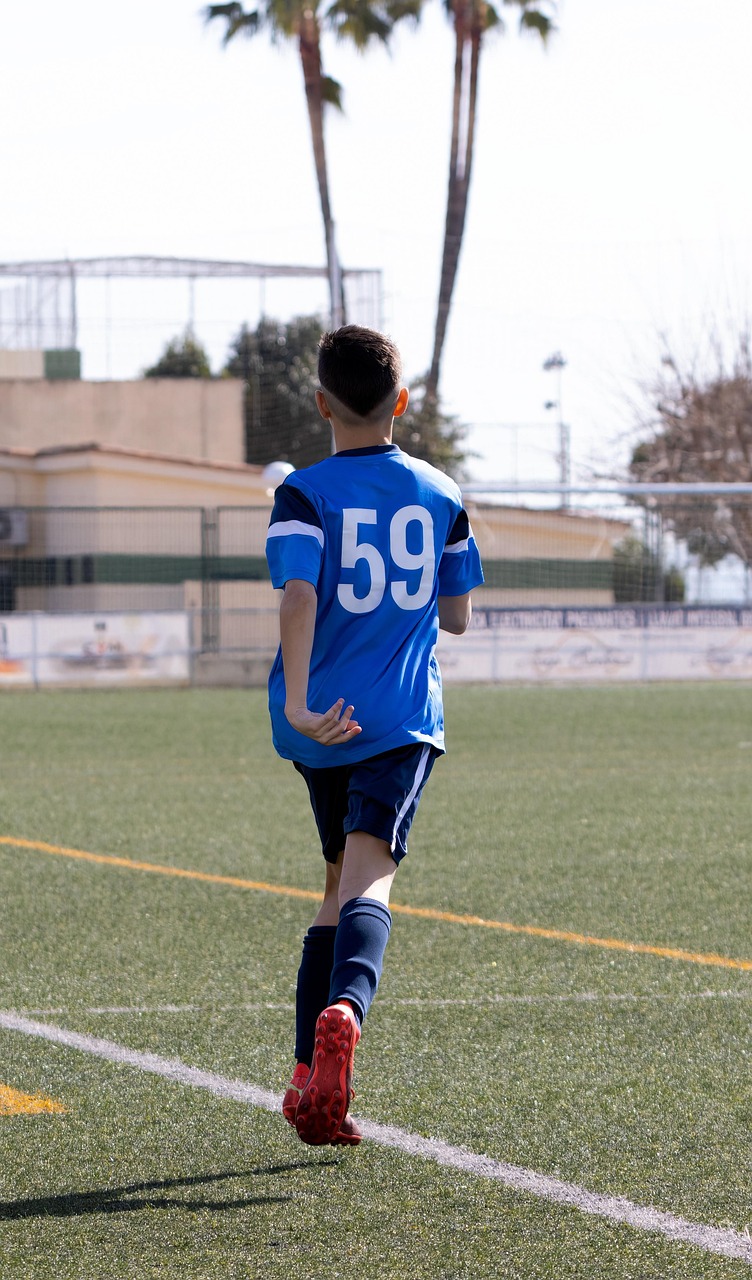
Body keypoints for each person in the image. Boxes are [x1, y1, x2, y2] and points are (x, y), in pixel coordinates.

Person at [265, 325, 484, 1146]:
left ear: (321, 403)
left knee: (332, 886)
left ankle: (304, 1084)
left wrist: (294, 701)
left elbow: (297, 597)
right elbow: (457, 618)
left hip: (317, 724)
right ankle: (347, 1010)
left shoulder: (304, 493)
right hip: (396, 723)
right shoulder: (442, 492)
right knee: (370, 883)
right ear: (401, 401)